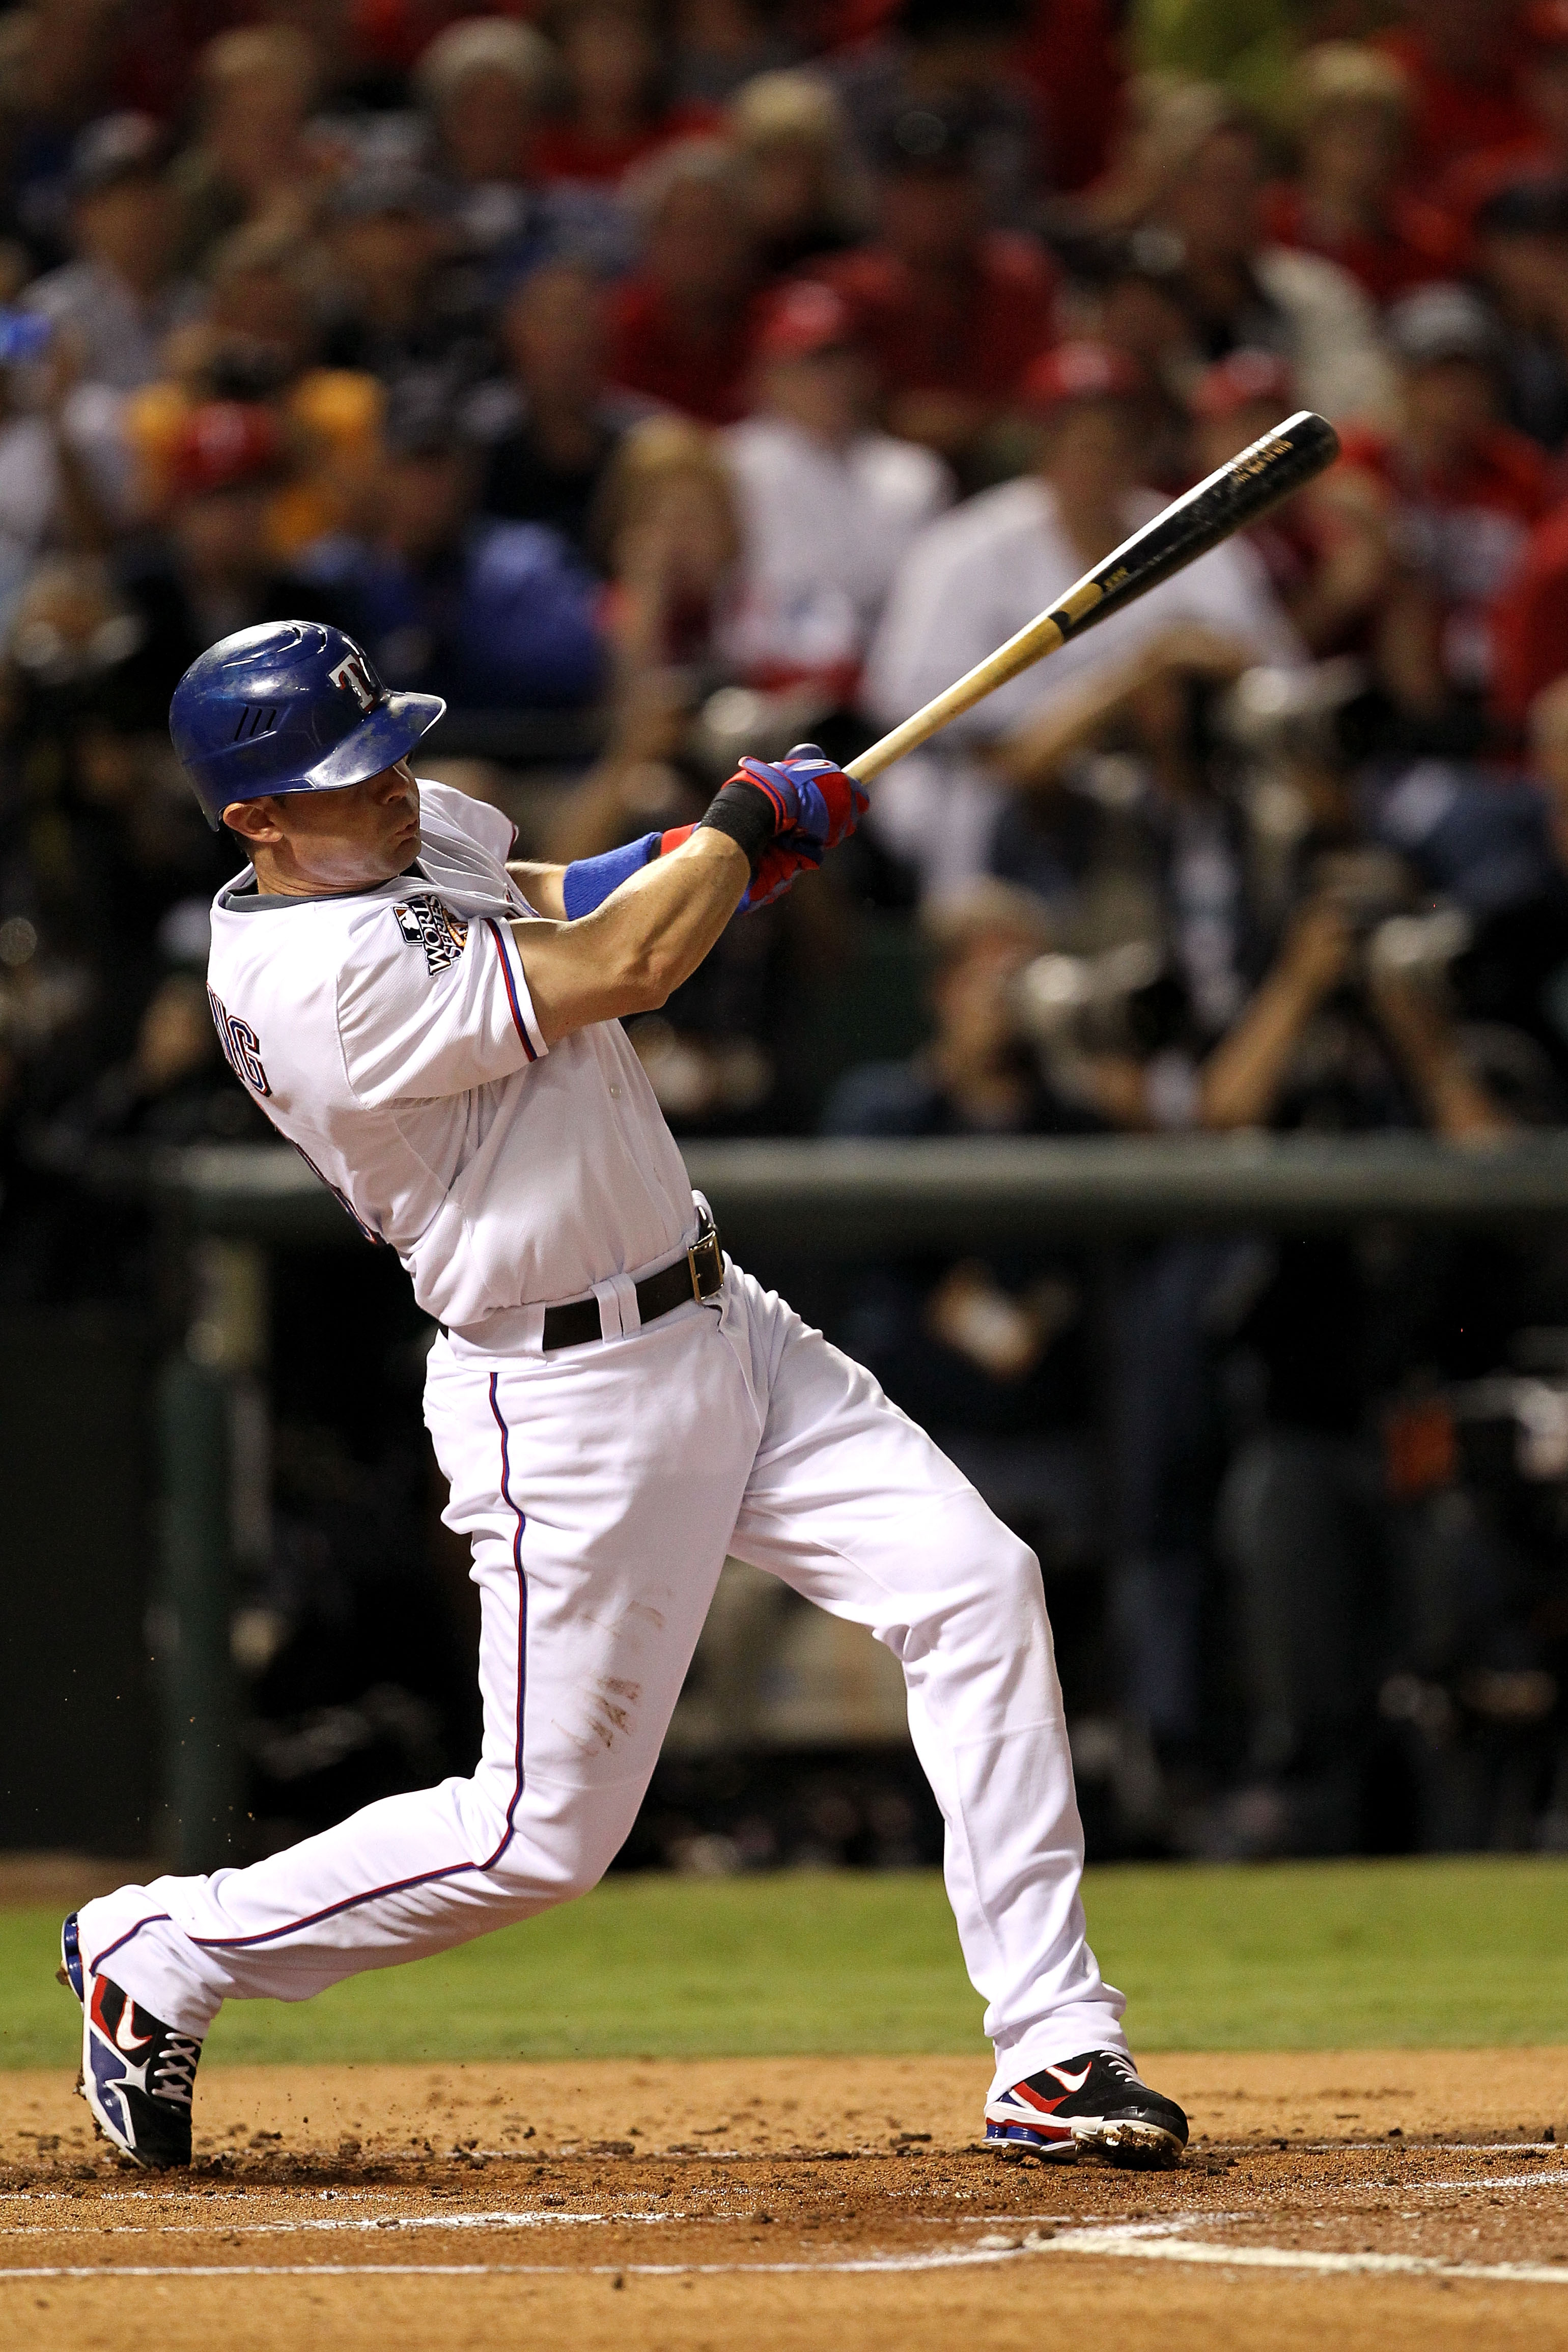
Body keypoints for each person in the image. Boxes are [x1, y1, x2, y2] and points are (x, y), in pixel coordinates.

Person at [61, 617, 1190, 2178]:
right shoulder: (315, 978)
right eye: (347, 777)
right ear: (253, 819)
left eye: (389, 750)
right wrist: (732, 834)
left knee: (976, 1587)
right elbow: (628, 962)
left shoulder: (397, 836)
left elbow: (558, 900)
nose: (392, 786)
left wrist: (715, 852)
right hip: (563, 1397)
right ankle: (165, 1946)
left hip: (721, 1318)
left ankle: (1055, 2048)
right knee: (537, 1839)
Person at [862, 339, 1299, 897]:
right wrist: (1137, 674)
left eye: (1119, 439)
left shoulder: (1192, 536)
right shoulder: (964, 551)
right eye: (1082, 439)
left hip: (1164, 779)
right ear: (1042, 442)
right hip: (987, 794)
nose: (1102, 457)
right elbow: (926, 721)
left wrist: (1198, 668)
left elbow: (1278, 676)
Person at [297, 381, 604, 711]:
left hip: (508, 753)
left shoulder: (526, 562)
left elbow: (573, 668)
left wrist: (451, 643)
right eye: (416, 464)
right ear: (383, 471)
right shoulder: (338, 576)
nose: (431, 485)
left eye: (445, 464)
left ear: (471, 473)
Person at [722, 278, 951, 699]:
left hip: (886, 687)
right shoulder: (730, 463)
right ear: (767, 374)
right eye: (809, 364)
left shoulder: (914, 474)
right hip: (761, 687)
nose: (828, 380)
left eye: (840, 361)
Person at [1335, 283, 1554, 720]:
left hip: (1502, 675)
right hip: (1388, 688)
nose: (1457, 396)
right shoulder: (1359, 461)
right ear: (1401, 379)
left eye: (1472, 378)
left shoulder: (1520, 473)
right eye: (1439, 377)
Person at [809, 97, 1058, 473]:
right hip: (867, 479)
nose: (934, 204)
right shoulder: (841, 291)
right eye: (915, 186)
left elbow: (1050, 400)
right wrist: (887, 418)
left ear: (979, 191)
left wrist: (968, 423)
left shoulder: (1022, 280)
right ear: (884, 196)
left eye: (948, 183)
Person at [414, 15, 633, 293]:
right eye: (474, 107)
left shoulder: (584, 215)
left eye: (507, 108)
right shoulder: (413, 216)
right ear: (445, 120)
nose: (491, 124)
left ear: (535, 121)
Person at [1260, 43, 1464, 309]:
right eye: (1350, 134)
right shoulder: (1266, 225)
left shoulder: (1425, 242)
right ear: (1309, 137)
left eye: (1382, 137)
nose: (1369, 152)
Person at [474, 260, 651, 562]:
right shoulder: (474, 442)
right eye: (552, 324)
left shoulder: (647, 445)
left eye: (583, 323)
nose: (569, 342)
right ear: (514, 338)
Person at [22, 113, 204, 394]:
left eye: (155, 193)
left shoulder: (199, 307)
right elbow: (22, 422)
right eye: (125, 200)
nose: (145, 212)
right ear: (85, 215)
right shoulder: (46, 309)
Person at [607, 137, 765, 425]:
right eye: (683, 229)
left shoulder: (776, 337)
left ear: (745, 240)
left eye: (714, 229)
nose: (699, 247)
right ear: (648, 240)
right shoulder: (611, 335)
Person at [535, 0, 721, 187]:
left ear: (650, 57)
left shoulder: (687, 138)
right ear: (565, 58)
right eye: (595, 47)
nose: (610, 63)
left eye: (623, 45)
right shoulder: (538, 149)